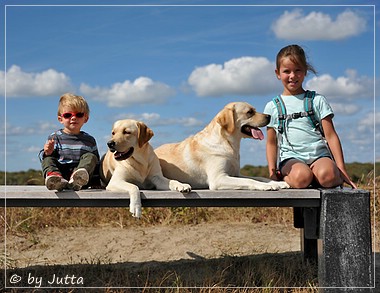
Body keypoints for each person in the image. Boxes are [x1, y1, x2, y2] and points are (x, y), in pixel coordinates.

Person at [264, 44, 356, 189]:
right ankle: (299, 178)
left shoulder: (317, 100)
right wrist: (272, 171)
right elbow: (271, 142)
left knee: (328, 176)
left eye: (298, 70)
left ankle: (324, 177)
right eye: (286, 71)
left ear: (305, 71)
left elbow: (331, 135)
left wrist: (341, 168)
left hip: (319, 156)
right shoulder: (273, 106)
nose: (292, 76)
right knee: (301, 177)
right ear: (278, 73)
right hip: (290, 159)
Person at [40, 93, 100, 191]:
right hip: (61, 174)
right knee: (48, 158)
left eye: (79, 114)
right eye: (68, 115)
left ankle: (77, 178)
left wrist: (97, 182)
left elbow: (96, 164)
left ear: (86, 118)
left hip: (81, 178)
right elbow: (49, 160)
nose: (73, 118)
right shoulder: (54, 137)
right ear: (60, 119)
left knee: (91, 157)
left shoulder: (89, 140)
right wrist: (48, 153)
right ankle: (55, 179)